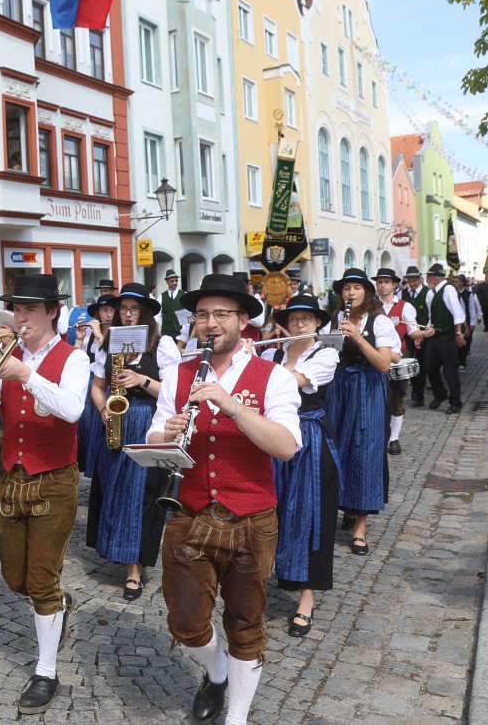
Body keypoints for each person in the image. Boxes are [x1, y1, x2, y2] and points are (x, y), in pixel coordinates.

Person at [146, 272, 301, 725]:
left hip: (251, 517)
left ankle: (236, 717)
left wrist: (233, 406)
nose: (211, 323)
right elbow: (153, 439)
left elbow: (286, 447)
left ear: (242, 321)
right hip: (188, 511)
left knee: (245, 623)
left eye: (221, 314)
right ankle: (216, 673)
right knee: (186, 624)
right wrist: (166, 432)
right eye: (202, 315)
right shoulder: (177, 374)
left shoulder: (273, 376)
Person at [0, 275, 90, 715]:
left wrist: (27, 375)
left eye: (30, 310)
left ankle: (46, 671)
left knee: (41, 580)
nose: (21, 318)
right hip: (11, 478)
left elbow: (72, 410)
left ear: (52, 312)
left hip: (54, 479)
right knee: (15, 578)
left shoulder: (74, 358)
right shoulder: (7, 357)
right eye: (17, 310)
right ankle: (59, 605)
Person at [88, 282, 182, 600]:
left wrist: (142, 379)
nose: (128, 315)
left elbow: (174, 392)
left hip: (147, 422)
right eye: (124, 309)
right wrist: (103, 409)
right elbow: (97, 386)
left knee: (141, 495)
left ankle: (135, 569)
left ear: (145, 313)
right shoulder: (108, 343)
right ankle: (116, 549)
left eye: (134, 309)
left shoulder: (162, 344)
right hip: (116, 421)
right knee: (114, 490)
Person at [259, 295, 340, 639]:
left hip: (310, 438)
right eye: (294, 319)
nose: (299, 325)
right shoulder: (270, 354)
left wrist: (254, 364)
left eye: (306, 319)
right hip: (274, 435)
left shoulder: (326, 355)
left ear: (318, 323)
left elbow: (292, 381)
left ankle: (306, 599)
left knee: (311, 515)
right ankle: (260, 581)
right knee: (268, 511)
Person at [325, 268, 399, 558]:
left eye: (356, 288)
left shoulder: (378, 321)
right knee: (336, 449)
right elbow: (325, 356)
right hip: (338, 388)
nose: (351, 293)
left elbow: (383, 364)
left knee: (365, 452)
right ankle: (346, 505)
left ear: (366, 292)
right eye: (346, 288)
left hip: (368, 388)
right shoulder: (334, 319)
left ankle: (360, 527)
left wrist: (357, 338)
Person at [374, 268, 424, 456]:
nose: (382, 285)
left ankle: (394, 439)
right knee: (376, 397)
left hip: (399, 354)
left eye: (386, 282)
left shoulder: (405, 306)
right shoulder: (370, 305)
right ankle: (378, 435)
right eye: (379, 282)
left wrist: (424, 333)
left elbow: (413, 332)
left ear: (395, 284)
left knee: (398, 397)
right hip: (374, 354)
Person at [77, 293, 118, 477]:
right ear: (98, 314)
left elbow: (109, 357)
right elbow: (77, 359)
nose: (108, 315)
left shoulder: (118, 334)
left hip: (111, 389)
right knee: (88, 431)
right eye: (104, 310)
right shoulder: (90, 336)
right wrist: (80, 338)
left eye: (111, 310)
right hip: (92, 390)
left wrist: (100, 335)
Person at [422, 264, 468, 414]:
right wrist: (424, 333)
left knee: (449, 371)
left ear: (432, 277)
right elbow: (431, 317)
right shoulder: (431, 293)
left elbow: (457, 312)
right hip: (435, 336)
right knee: (429, 366)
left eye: (428, 277)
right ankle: (440, 394)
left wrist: (458, 332)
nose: (427, 279)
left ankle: (456, 402)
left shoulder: (448, 289)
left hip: (447, 336)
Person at [402, 266, 433, 408]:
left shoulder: (428, 293)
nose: (412, 283)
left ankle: (419, 395)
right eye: (410, 281)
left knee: (420, 363)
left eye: (414, 281)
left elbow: (431, 315)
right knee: (409, 361)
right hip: (407, 334)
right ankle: (413, 385)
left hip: (423, 334)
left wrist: (424, 332)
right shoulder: (402, 293)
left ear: (420, 279)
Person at [453, 275, 482, 371]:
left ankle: (462, 361)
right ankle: (457, 360)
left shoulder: (469, 294)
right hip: (455, 321)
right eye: (454, 282)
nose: (455, 283)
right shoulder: (452, 293)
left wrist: (472, 323)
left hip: (466, 320)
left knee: (465, 341)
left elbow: (472, 308)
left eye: (457, 281)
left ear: (462, 283)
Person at [160, 268, 186, 342]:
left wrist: (185, 329)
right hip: (166, 331)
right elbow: (158, 314)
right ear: (167, 282)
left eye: (176, 281)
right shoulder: (161, 296)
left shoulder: (183, 294)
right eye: (172, 281)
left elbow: (187, 313)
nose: (174, 283)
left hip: (180, 330)